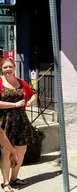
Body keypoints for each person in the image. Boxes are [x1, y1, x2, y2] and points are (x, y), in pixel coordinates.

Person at [0, 58, 38, 192]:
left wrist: (30, 101)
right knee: (5, 153)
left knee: (21, 152)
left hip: (21, 121)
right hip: (5, 121)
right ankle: (5, 183)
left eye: (10, 67)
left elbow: (33, 94)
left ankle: (14, 178)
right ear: (2, 69)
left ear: (14, 68)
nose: (8, 69)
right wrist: (15, 104)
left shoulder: (21, 82)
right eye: (5, 67)